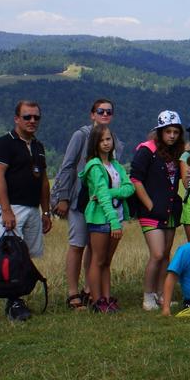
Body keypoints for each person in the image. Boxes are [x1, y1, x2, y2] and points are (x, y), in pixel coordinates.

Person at [51, 98, 122, 310]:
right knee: (78, 244)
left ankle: (90, 290)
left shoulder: (114, 141)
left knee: (94, 248)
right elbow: (68, 166)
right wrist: (63, 197)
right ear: (92, 114)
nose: (105, 114)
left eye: (109, 111)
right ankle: (73, 293)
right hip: (80, 200)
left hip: (101, 205)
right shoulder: (81, 136)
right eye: (101, 111)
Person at [0, 100, 51, 322]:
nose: (32, 121)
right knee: (11, 255)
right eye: (27, 117)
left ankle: (20, 295)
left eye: (36, 117)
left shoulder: (38, 146)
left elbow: (43, 180)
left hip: (33, 208)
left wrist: (46, 212)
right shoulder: (4, 143)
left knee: (27, 255)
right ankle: (13, 302)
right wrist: (6, 210)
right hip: (12, 207)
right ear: (17, 118)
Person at [130, 110, 186, 312]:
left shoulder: (176, 152)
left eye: (176, 132)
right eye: (168, 131)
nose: (172, 135)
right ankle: (148, 296)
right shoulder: (147, 150)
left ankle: (162, 294)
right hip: (151, 212)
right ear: (160, 131)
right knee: (157, 253)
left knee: (165, 255)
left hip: (170, 210)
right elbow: (135, 179)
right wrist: (149, 205)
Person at [79, 123, 134, 313]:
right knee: (98, 260)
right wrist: (114, 222)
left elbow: (129, 188)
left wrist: (111, 192)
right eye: (101, 140)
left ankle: (107, 298)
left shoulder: (116, 165)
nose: (106, 143)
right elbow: (101, 196)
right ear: (95, 143)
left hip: (116, 217)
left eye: (108, 139)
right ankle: (97, 300)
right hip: (101, 219)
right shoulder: (94, 166)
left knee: (107, 262)